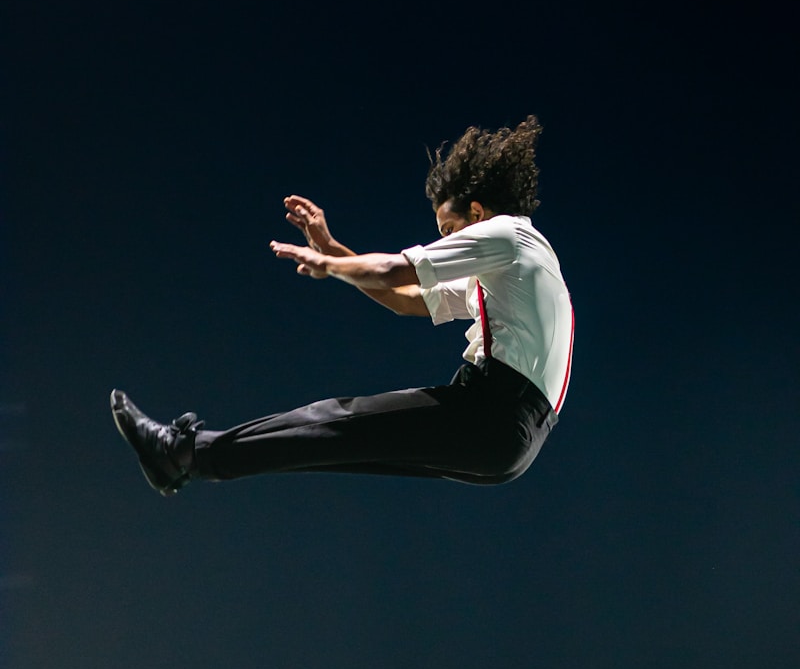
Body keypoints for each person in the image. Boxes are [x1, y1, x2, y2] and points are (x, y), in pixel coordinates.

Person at [110, 115, 573, 494]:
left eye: (449, 230)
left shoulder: (505, 234)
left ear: (476, 212)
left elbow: (393, 270)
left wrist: (325, 264)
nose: (447, 241)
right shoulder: (518, 266)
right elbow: (405, 300)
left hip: (492, 413)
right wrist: (332, 250)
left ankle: (181, 452)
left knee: (334, 420)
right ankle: (191, 457)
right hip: (513, 443)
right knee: (334, 441)